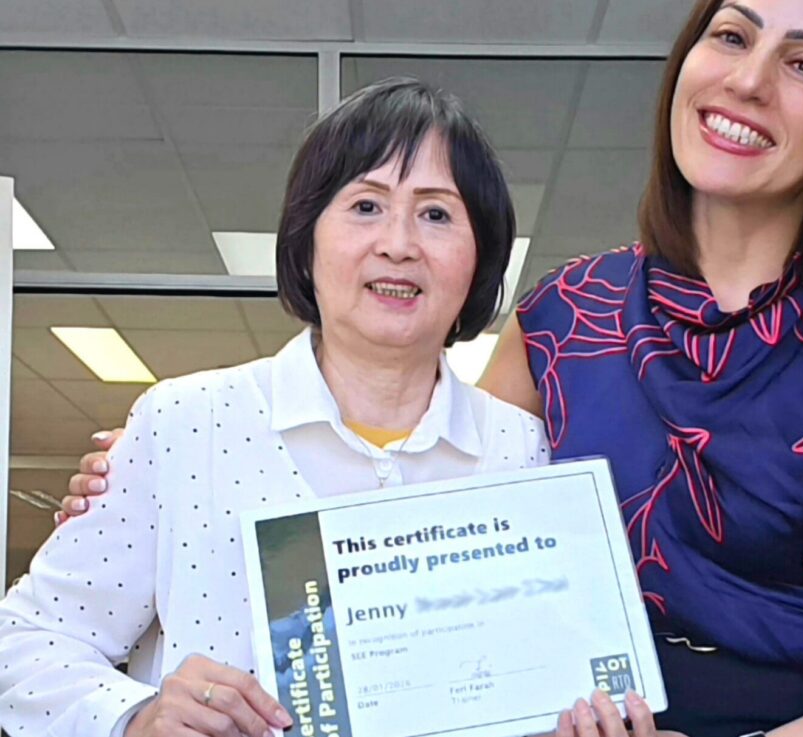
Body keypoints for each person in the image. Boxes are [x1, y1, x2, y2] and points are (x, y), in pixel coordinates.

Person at [60, 0, 803, 735]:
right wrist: (155, 468)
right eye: (730, 37)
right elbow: (434, 501)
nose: (750, 81)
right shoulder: (565, 313)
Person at [0, 78, 576, 737]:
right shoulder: (186, 423)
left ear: (482, 256)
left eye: (437, 214)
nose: (398, 243)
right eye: (365, 205)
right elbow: (24, 642)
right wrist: (135, 715)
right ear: (306, 238)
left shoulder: (525, 452)